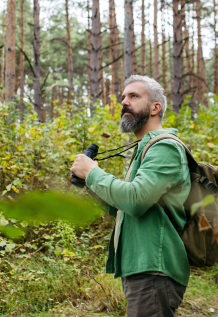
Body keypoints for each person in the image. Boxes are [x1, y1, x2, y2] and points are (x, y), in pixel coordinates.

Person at [70, 75, 191, 317]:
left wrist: (93, 173)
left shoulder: (164, 147)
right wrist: (90, 183)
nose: (124, 102)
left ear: (156, 107)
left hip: (154, 268)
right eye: (123, 97)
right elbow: (122, 208)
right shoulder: (143, 149)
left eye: (134, 96)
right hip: (140, 267)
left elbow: (135, 201)